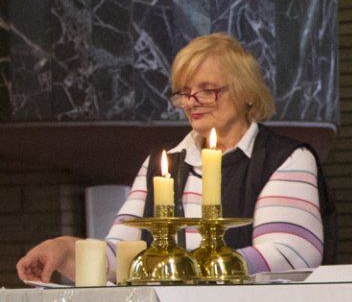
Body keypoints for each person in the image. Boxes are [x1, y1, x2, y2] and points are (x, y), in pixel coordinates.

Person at [16, 33, 334, 283]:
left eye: (207, 90)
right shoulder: (164, 163)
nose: (192, 102)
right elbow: (124, 257)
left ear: (247, 92)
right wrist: (65, 250)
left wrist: (185, 269)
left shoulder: (286, 159)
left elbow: (290, 255)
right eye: (184, 92)